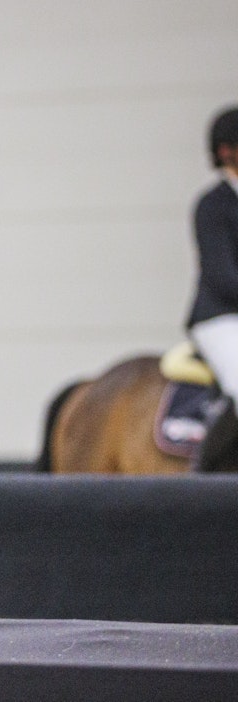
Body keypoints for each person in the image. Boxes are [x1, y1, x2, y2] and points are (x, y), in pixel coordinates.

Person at [187, 105, 238, 471]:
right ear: (226, 151)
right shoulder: (212, 206)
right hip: (220, 318)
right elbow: (223, 276)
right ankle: (204, 477)